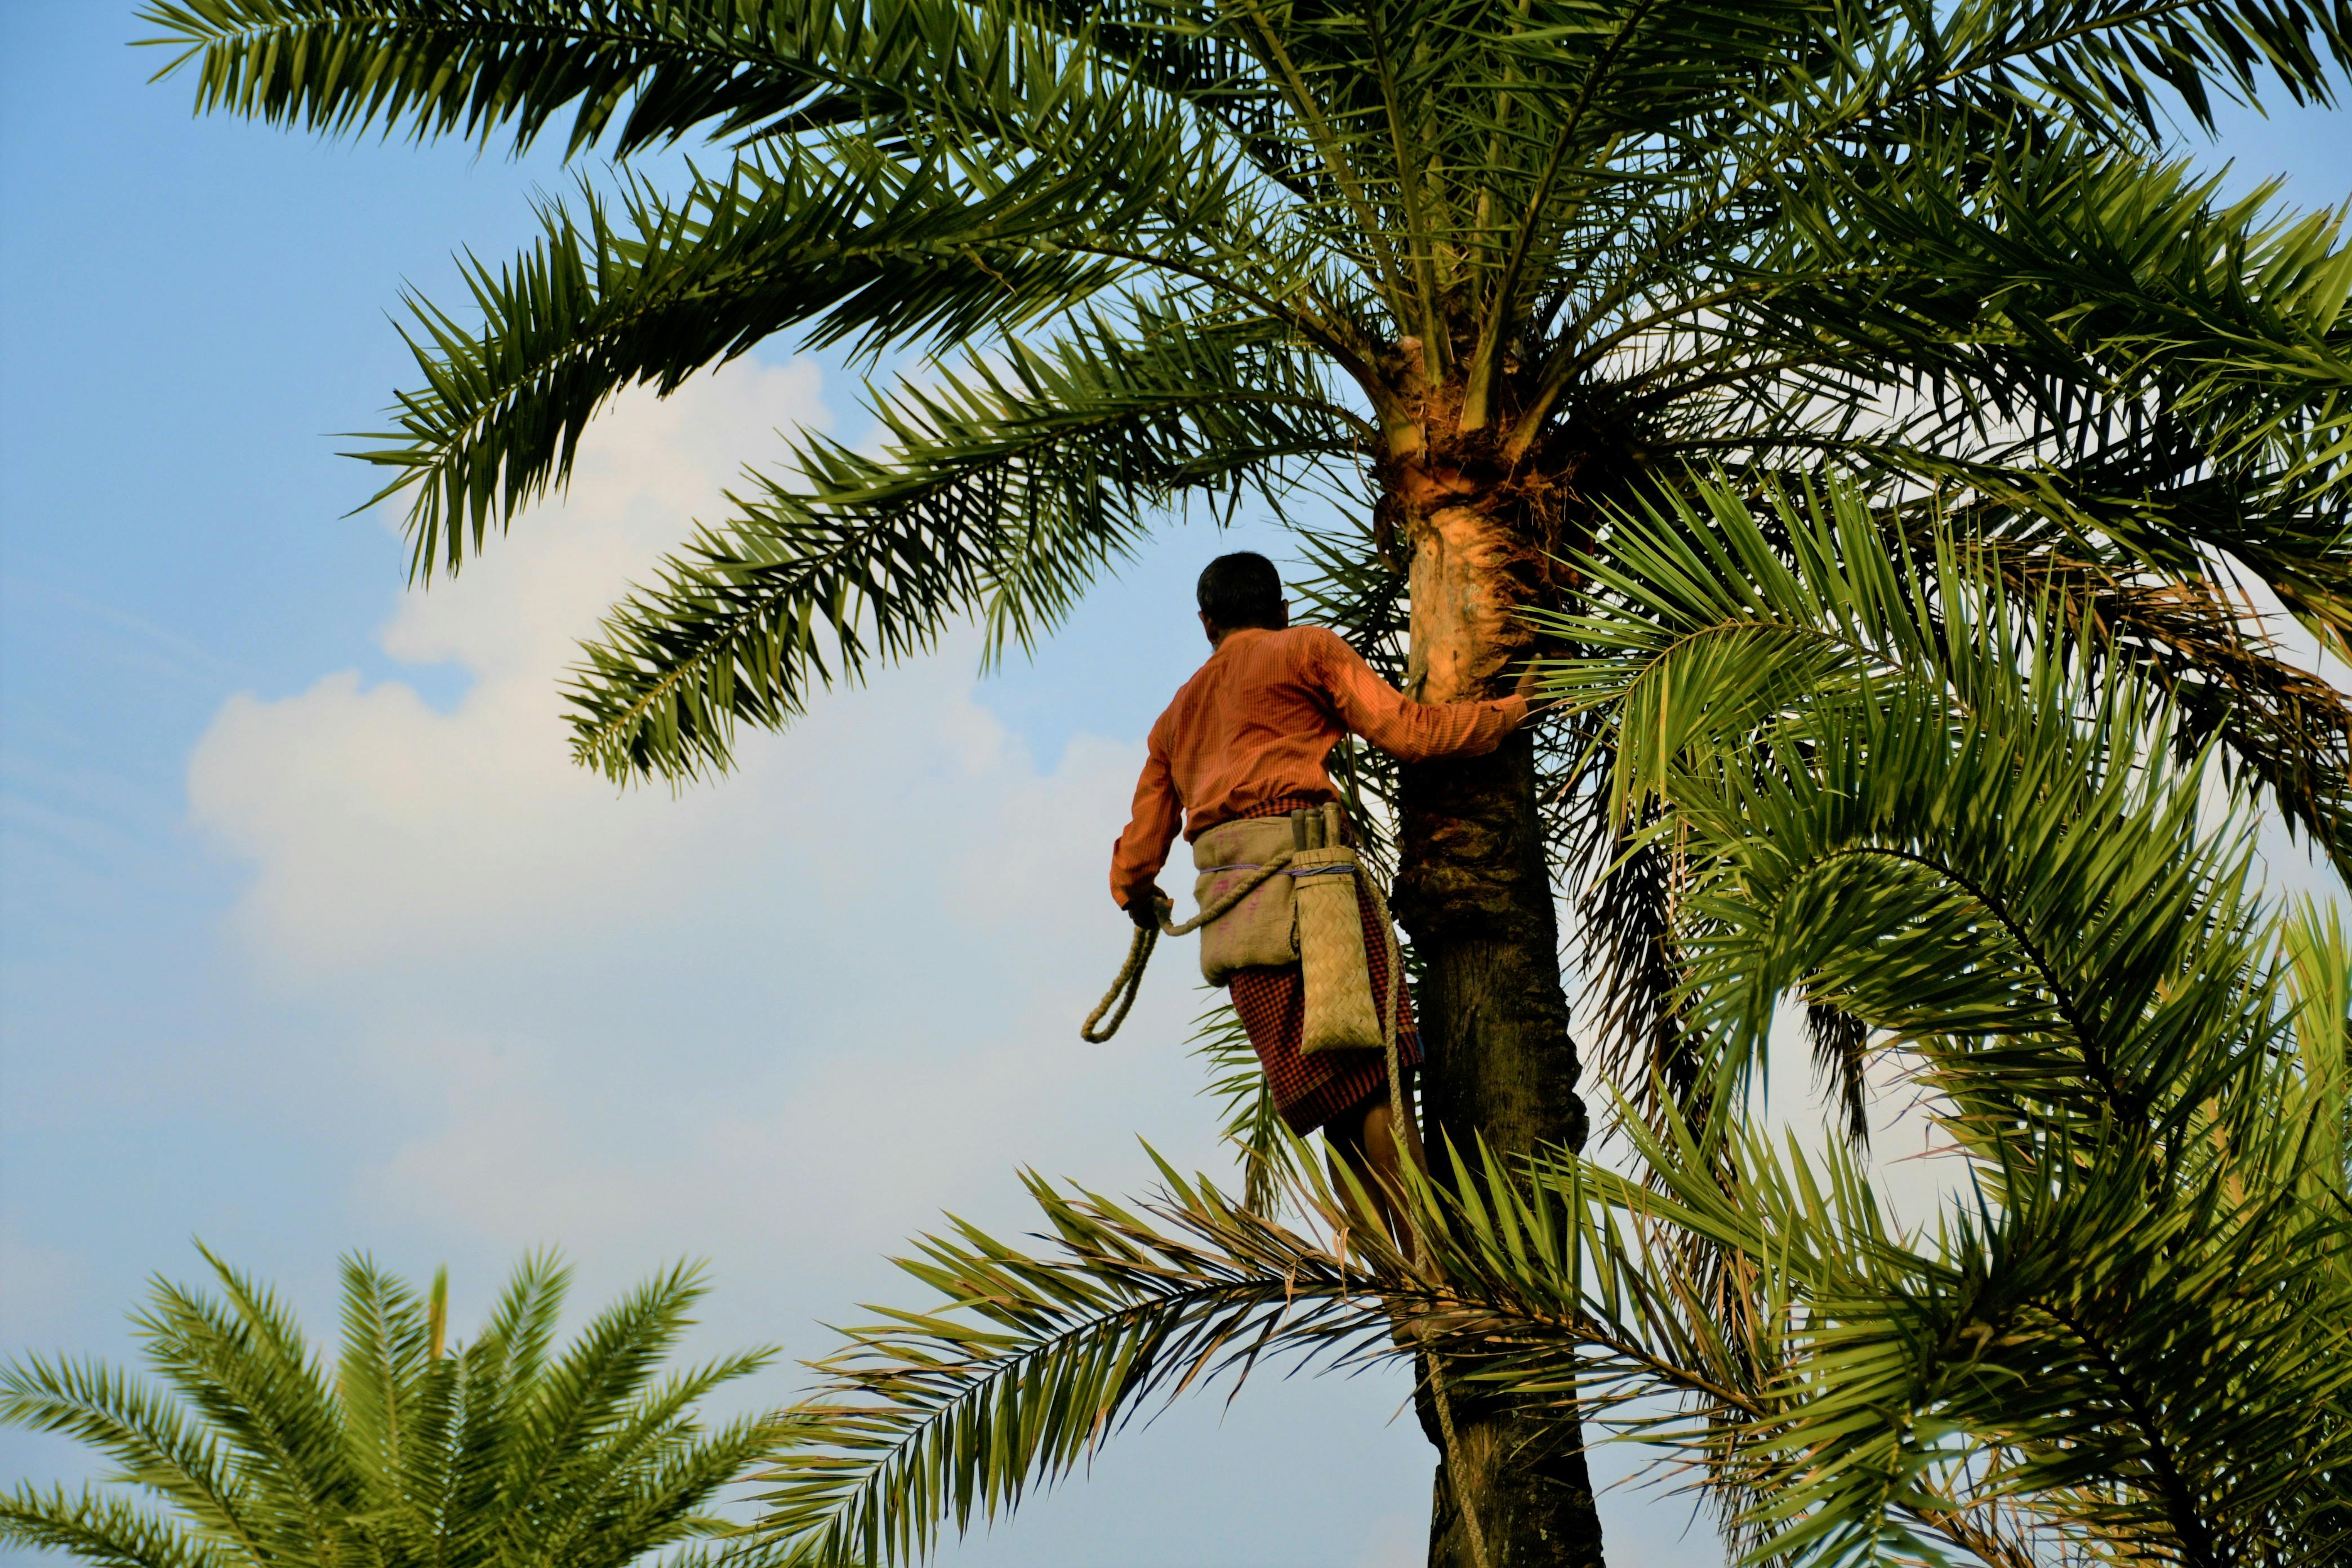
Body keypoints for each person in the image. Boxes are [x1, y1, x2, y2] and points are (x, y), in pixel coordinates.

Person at [1109, 552, 1530, 1226]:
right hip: (1316, 898)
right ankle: (1442, 1280)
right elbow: (1409, 733)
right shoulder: (1306, 649)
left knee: (1336, 1114)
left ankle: (1401, 1299)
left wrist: (1135, 894)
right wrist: (1509, 714)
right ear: (1280, 611)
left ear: (1206, 624)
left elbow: (1138, 858)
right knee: (1376, 1094)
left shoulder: (1175, 718)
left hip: (1237, 932)